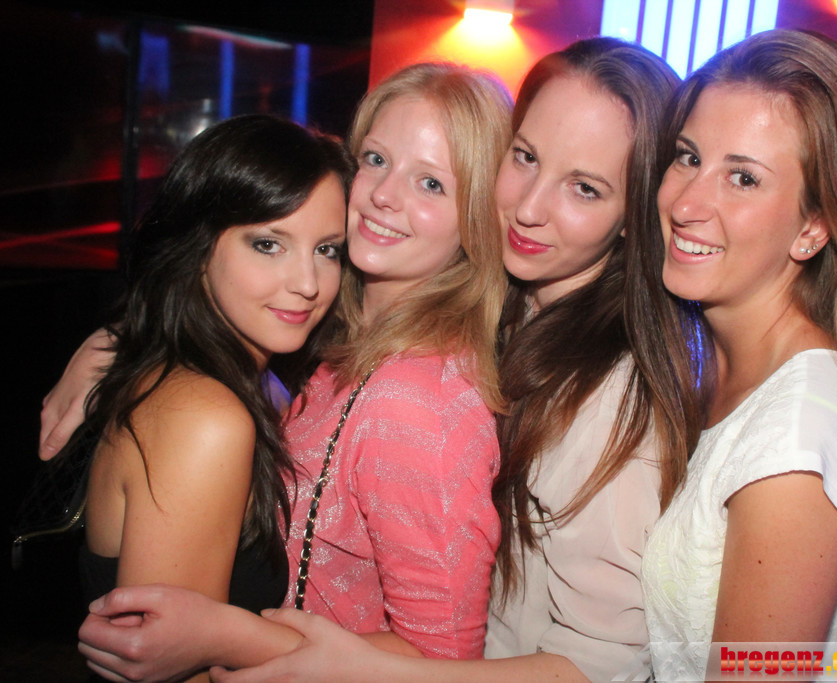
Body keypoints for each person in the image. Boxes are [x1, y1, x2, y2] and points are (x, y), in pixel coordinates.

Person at [184, 37, 707, 683]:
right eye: (525, 157)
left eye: (585, 188)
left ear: (634, 214)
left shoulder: (605, 397)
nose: (529, 207)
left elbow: (602, 661)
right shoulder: (499, 310)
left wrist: (353, 666)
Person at [73, 62, 513, 681]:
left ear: (478, 218)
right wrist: (119, 340)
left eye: (432, 183)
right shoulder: (330, 348)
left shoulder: (417, 404)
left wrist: (227, 634)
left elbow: (443, 660)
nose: (384, 196)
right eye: (376, 159)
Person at [639, 29, 837, 680]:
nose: (685, 203)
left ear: (813, 227)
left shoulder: (795, 442)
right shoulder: (734, 372)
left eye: (742, 178)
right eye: (688, 157)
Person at [73, 113, 353, 682]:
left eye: (327, 249)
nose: (308, 283)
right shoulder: (204, 415)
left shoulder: (246, 382)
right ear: (199, 248)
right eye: (268, 244)